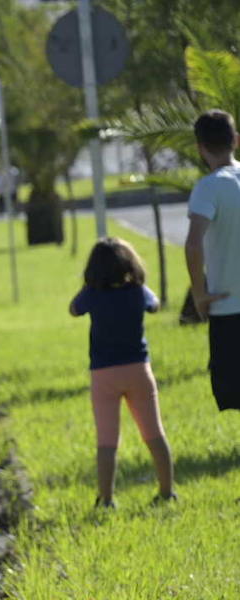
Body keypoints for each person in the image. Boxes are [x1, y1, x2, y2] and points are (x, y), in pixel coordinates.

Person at [70, 238, 174, 507]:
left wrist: (89, 288)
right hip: (138, 369)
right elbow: (155, 304)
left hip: (103, 374)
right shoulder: (138, 291)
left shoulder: (92, 293)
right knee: (154, 434)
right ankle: (166, 492)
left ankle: (106, 499)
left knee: (107, 441)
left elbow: (74, 309)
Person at [185, 109, 240, 413]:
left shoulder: (208, 187)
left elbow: (193, 244)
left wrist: (199, 293)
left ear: (200, 147)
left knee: (233, 386)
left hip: (228, 305)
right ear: (235, 140)